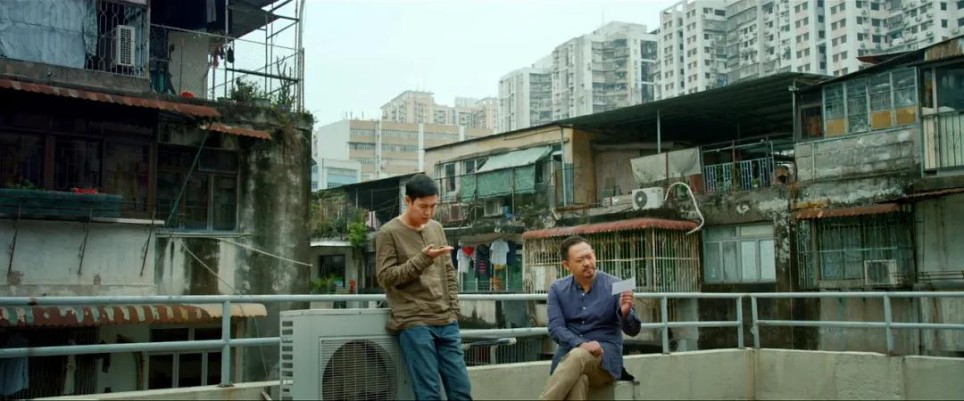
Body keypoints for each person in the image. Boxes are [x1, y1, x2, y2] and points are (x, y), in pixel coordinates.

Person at [376, 173, 472, 400]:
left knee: (461, 390)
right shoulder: (389, 232)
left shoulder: (436, 228)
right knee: (428, 393)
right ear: (408, 201)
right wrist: (422, 259)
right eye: (423, 206)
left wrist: (453, 310)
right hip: (414, 321)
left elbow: (448, 271)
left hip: (446, 319)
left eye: (433, 206)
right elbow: (385, 277)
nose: (428, 212)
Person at [539, 235, 641, 400]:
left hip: (605, 361)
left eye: (589, 256)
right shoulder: (557, 289)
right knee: (578, 379)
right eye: (580, 260)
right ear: (567, 265)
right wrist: (581, 344)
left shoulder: (617, 285)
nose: (587, 263)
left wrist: (625, 313)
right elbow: (556, 328)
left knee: (578, 355)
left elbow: (633, 331)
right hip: (569, 361)